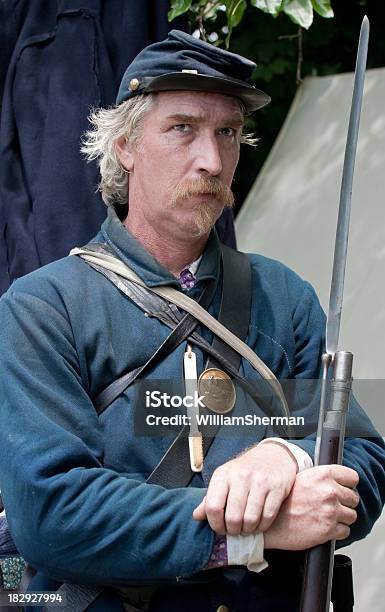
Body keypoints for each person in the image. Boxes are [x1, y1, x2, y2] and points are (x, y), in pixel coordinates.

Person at [0, 30, 384, 612]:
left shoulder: (283, 297)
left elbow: (362, 454)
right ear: (126, 145)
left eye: (226, 133)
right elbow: (52, 511)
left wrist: (290, 454)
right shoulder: (42, 308)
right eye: (183, 128)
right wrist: (247, 531)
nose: (211, 159)